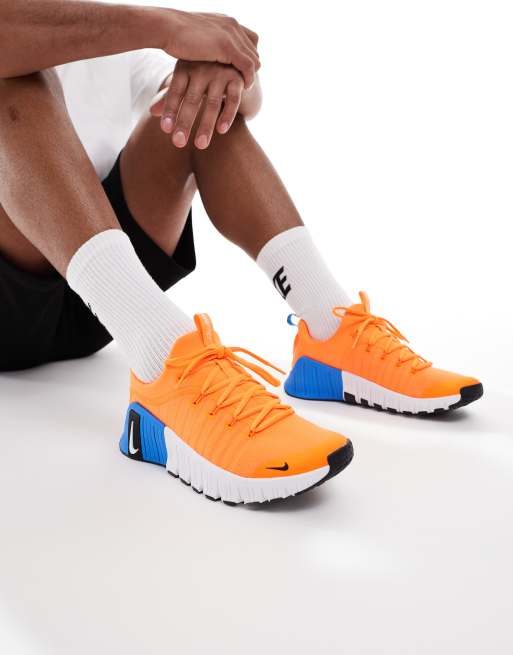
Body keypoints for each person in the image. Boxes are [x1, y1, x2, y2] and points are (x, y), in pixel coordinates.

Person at [0, 2, 482, 505]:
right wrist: (168, 26)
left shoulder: (105, 33)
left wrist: (223, 68)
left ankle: (327, 327)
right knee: (14, 80)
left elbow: (246, 103)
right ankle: (164, 364)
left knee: (198, 106)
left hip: (105, 306)